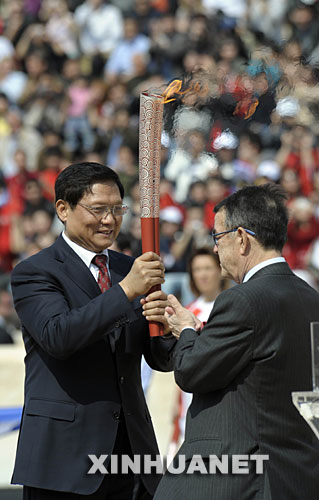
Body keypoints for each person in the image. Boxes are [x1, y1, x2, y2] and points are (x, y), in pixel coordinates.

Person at [10, 162, 175, 500]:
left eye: (117, 210)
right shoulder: (35, 272)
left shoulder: (130, 269)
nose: (109, 220)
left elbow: (159, 358)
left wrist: (170, 328)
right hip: (64, 460)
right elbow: (59, 336)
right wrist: (126, 291)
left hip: (131, 454)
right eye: (98, 209)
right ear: (63, 209)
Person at [152, 184, 319, 500]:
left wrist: (187, 330)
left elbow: (191, 371)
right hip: (297, 474)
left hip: (238, 477)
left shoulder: (241, 300)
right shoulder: (311, 298)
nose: (215, 249)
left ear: (241, 238)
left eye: (217, 238)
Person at [168, 248, 228, 455]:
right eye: (197, 269)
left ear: (220, 270)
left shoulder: (232, 306)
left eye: (208, 268)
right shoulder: (187, 312)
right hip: (191, 401)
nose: (202, 274)